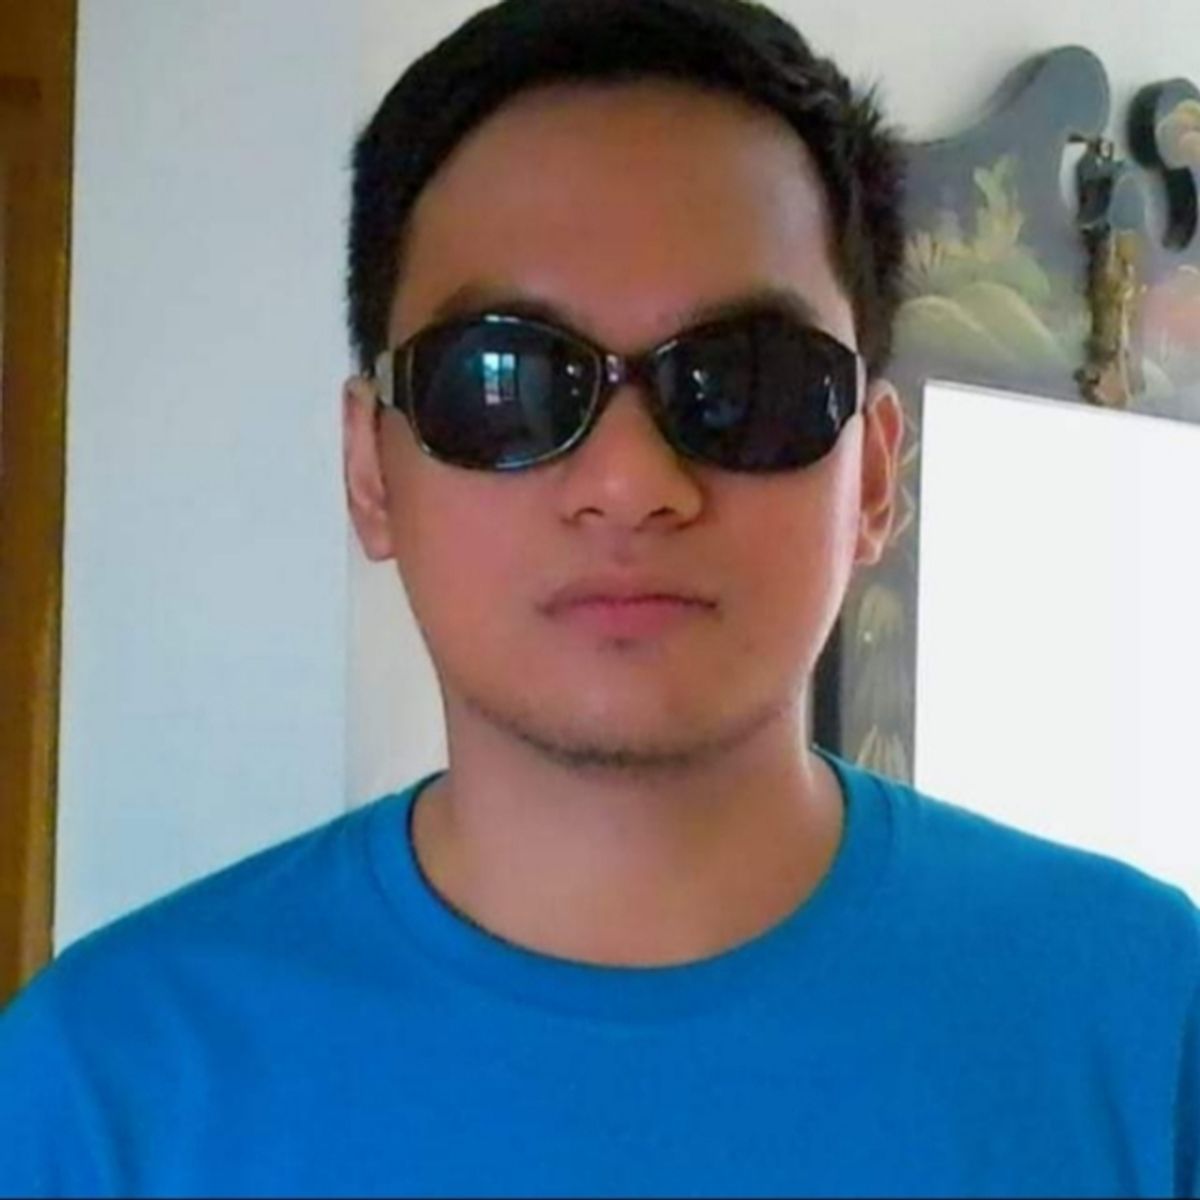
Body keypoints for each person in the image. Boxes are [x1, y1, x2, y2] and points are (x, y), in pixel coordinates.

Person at [2, 0, 1197, 1195]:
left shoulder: (1149, 1027)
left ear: (877, 473)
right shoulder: (104, 1091)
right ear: (370, 469)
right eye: (505, 380)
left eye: (744, 382)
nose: (631, 484)